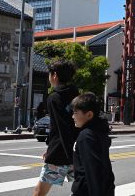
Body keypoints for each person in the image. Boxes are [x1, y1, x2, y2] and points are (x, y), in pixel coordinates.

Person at [33, 60, 80, 196]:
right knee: (84, 190)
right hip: (78, 150)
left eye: (50, 74)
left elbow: (61, 128)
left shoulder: (54, 98)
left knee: (39, 193)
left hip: (60, 152)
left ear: (54, 76)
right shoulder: (77, 95)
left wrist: (52, 151)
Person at [71, 92, 115, 196]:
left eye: (76, 113)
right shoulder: (97, 131)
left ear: (89, 115)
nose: (73, 116)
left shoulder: (86, 136)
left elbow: (93, 172)